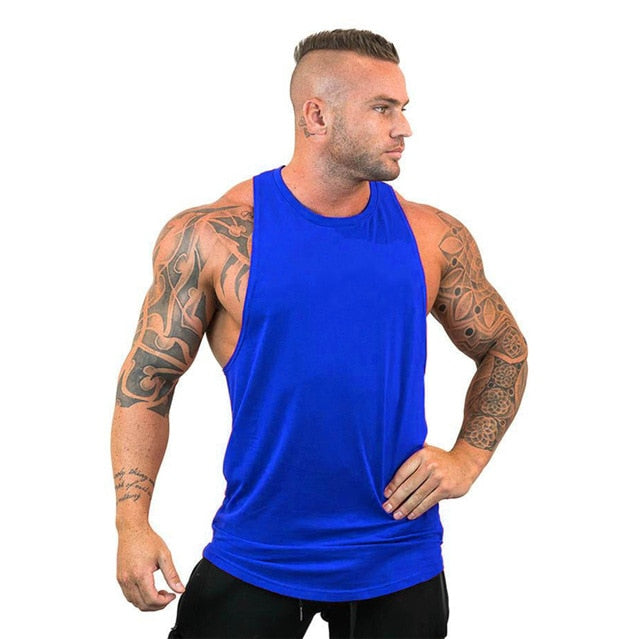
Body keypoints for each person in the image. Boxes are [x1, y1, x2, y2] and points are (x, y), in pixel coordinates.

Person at [111, 28, 528, 639]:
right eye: (383, 109)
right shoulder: (216, 235)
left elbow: (504, 348)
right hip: (258, 553)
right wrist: (132, 524)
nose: (404, 128)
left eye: (402, 108)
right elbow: (148, 381)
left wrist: (468, 458)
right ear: (317, 116)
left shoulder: (433, 237)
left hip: (397, 554)